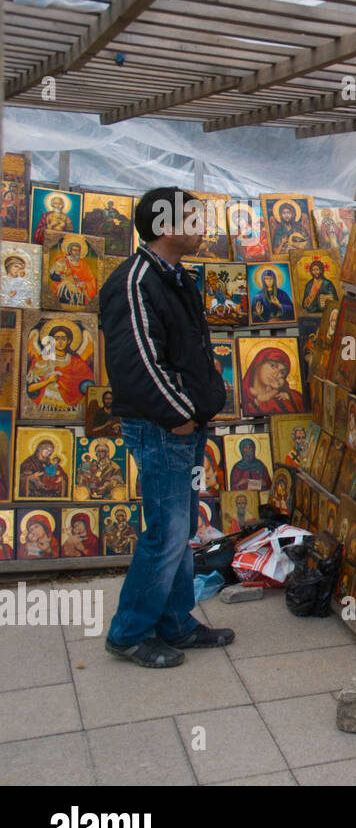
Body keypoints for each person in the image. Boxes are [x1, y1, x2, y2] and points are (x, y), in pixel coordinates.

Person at [100, 187, 235, 667]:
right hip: (162, 428)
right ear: (166, 225)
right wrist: (179, 413)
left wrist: (201, 404)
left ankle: (175, 622)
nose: (203, 229)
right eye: (194, 220)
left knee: (180, 531)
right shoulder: (135, 282)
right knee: (166, 531)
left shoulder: (174, 278)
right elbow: (138, 361)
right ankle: (130, 632)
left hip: (182, 425)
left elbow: (192, 349)